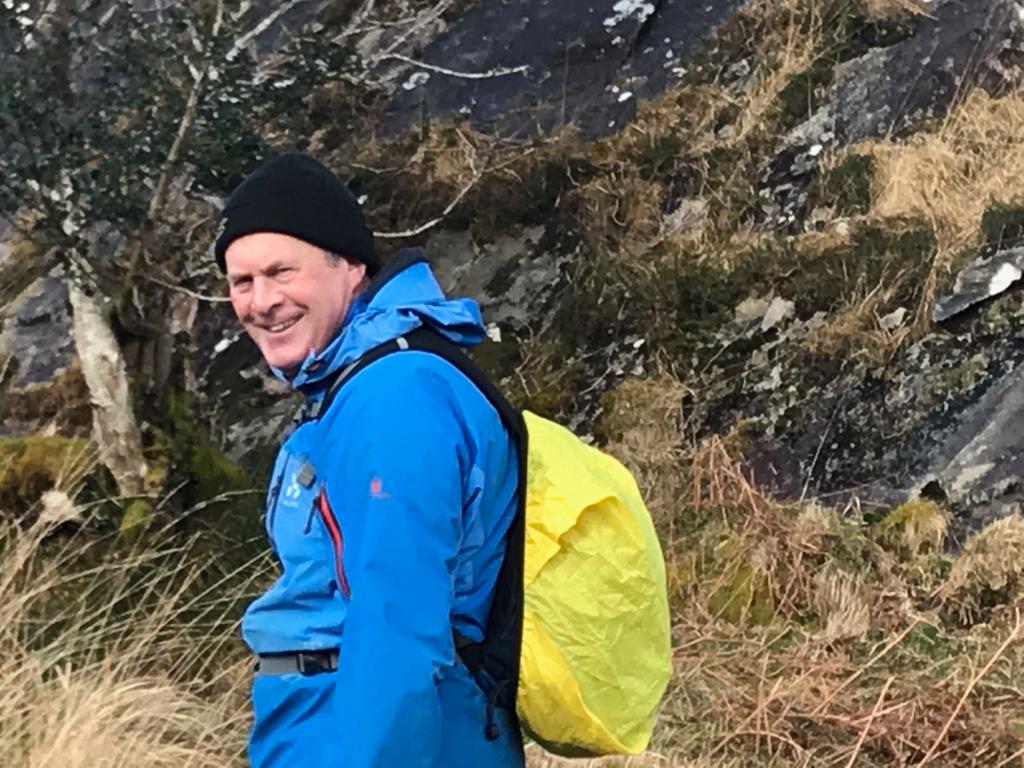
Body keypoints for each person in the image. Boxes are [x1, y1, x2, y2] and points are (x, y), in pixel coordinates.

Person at [213, 151, 525, 768]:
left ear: (350, 266)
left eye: (281, 271)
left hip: (383, 738)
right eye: (241, 282)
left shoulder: (393, 397)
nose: (261, 301)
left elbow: (396, 626)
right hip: (340, 729)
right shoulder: (360, 387)